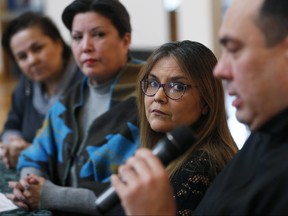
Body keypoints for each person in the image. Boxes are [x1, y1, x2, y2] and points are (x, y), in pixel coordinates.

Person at [112, 0, 288, 214]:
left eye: (234, 49)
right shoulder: (261, 140)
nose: (221, 71)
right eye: (153, 83)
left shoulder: (202, 165)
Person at [6, 0, 143, 215]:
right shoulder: (71, 99)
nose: (85, 46)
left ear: (125, 41)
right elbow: (33, 155)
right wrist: (28, 183)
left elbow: (130, 193)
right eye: (77, 37)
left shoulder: (149, 98)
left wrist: (50, 195)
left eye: (98, 35)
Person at [112, 40, 238, 215]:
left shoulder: (200, 168)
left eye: (177, 86)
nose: (158, 96)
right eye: (153, 83)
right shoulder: (167, 154)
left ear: (205, 102)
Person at [0, 12, 83, 169]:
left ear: (58, 44)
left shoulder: (86, 81)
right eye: (22, 57)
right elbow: (11, 125)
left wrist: (35, 153)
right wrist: (14, 143)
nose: (32, 60)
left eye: (37, 48)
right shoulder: (26, 84)